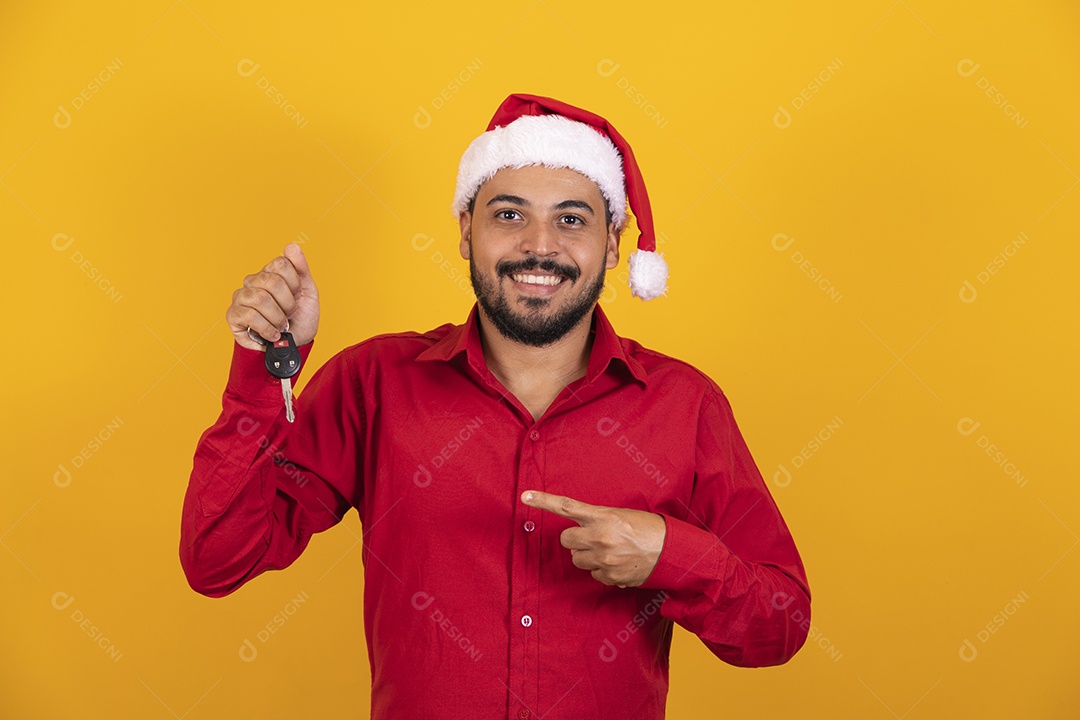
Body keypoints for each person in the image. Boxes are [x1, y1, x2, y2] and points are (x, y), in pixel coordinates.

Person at [181, 93, 811, 719]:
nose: (540, 247)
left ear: (614, 245)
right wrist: (263, 369)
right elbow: (217, 559)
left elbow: (779, 625)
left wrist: (669, 557)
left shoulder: (684, 405)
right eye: (509, 215)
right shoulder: (372, 384)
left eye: (572, 219)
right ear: (465, 231)